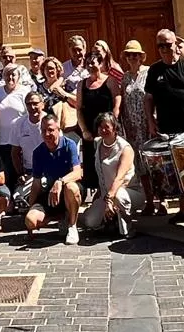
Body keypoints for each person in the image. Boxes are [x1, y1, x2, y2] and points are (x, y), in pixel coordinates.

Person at [144, 29, 184, 220]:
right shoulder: (155, 70)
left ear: (176, 44)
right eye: (160, 45)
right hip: (166, 126)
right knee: (177, 170)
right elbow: (149, 98)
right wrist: (151, 121)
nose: (164, 49)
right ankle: (183, 209)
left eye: (167, 44)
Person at [24, 115, 83, 244]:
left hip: (69, 190)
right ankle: (60, 217)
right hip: (51, 194)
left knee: (71, 187)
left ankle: (72, 226)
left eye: (50, 130)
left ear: (58, 129)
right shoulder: (38, 152)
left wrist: (60, 182)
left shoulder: (69, 145)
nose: (47, 134)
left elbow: (78, 172)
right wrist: (31, 207)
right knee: (30, 221)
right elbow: (36, 183)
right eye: (43, 130)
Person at [79, 113, 141, 236]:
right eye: (100, 127)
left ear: (114, 127)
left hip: (127, 192)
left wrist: (109, 200)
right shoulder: (97, 143)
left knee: (119, 196)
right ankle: (110, 220)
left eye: (107, 127)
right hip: (106, 194)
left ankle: (127, 227)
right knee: (90, 221)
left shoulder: (125, 148)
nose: (103, 130)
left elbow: (120, 178)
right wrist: (100, 193)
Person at [76, 47, 121, 194]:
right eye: (87, 63)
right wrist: (84, 130)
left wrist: (112, 124)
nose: (90, 66)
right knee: (93, 166)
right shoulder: (81, 84)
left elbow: (117, 102)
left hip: (107, 130)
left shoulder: (110, 81)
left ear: (100, 63)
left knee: (109, 163)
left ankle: (110, 193)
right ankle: (99, 196)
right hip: (90, 131)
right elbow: (79, 109)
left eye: (93, 62)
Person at [0, 65, 31, 185]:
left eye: (14, 74)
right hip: (3, 141)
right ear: (3, 76)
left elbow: (31, 115)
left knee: (22, 175)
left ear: (19, 76)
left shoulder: (25, 92)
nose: (11, 77)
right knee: (7, 175)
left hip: (21, 141)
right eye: (8, 74)